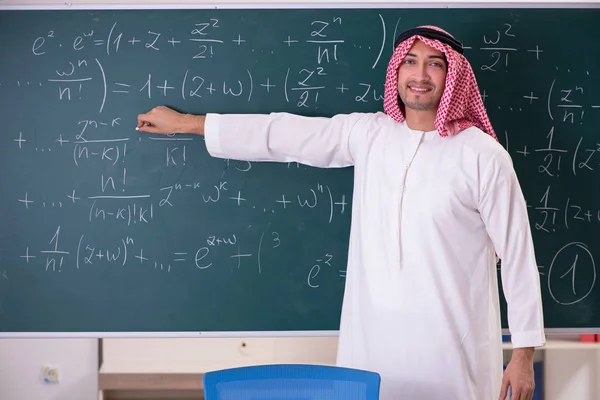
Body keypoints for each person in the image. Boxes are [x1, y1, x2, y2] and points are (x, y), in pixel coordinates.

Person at [137, 25, 546, 400]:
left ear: (453, 77)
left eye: (434, 64)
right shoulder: (370, 135)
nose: (420, 75)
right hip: (372, 354)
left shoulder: (483, 156)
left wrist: (523, 356)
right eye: (410, 61)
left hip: (453, 356)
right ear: (397, 71)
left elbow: (517, 257)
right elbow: (283, 135)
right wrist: (189, 124)